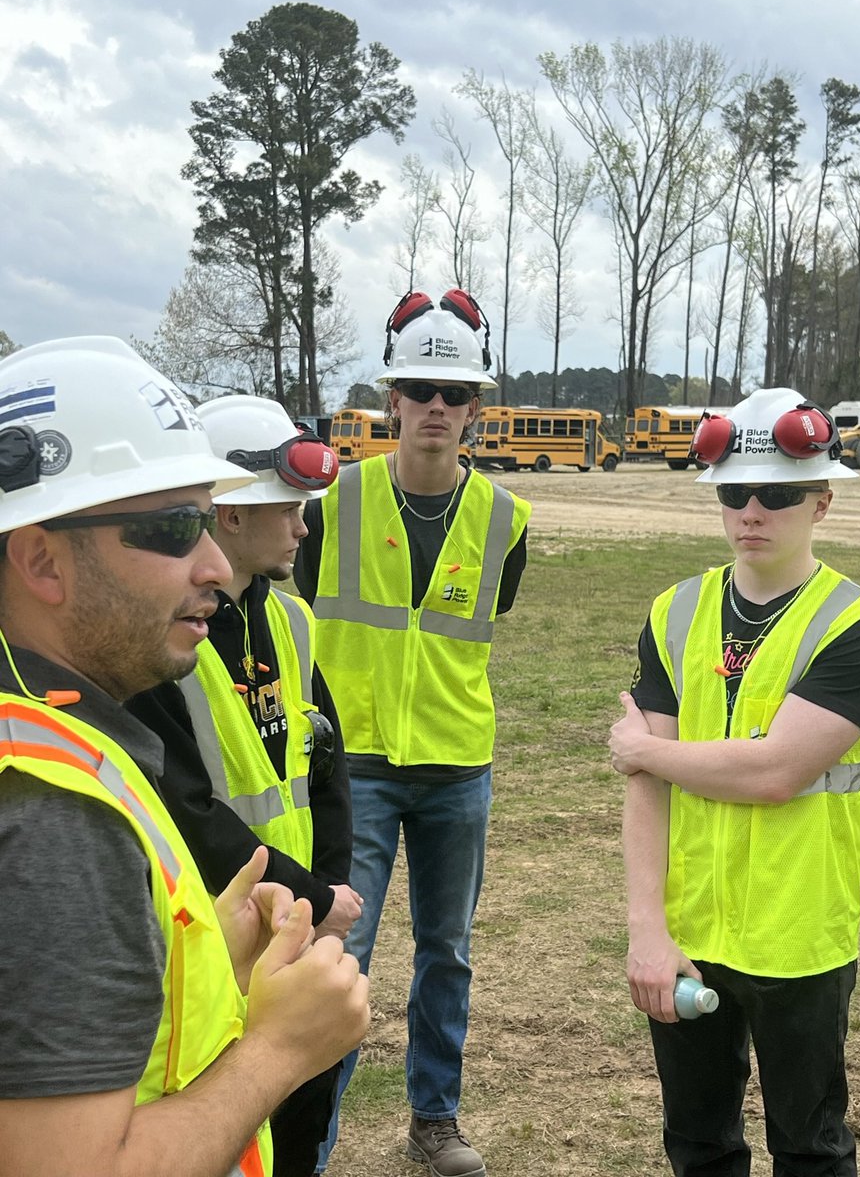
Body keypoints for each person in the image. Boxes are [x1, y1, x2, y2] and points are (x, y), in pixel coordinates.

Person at [0, 337, 369, 1177]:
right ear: (40, 559)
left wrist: (201, 964)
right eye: (171, 528)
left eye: (207, 521)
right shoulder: (54, 816)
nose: (211, 563)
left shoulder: (61, 732)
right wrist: (280, 1051)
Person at [609, 387, 860, 1177]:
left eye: (778, 494)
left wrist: (648, 751)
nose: (753, 511)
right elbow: (646, 794)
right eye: (737, 492)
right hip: (689, 926)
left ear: (823, 502)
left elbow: (778, 772)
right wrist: (647, 931)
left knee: (811, 1149)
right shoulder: (675, 612)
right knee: (697, 1145)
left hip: (799, 934)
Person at [295, 290, 531, 1177]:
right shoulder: (329, 505)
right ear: (391, 396)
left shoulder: (508, 521)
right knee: (338, 951)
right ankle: (311, 1136)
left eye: (456, 392)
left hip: (456, 767)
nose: (438, 407)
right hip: (352, 765)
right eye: (421, 388)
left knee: (448, 952)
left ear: (478, 408)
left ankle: (434, 1120)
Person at [127, 394, 362, 1177]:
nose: (302, 526)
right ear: (229, 513)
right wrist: (314, 897)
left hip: (297, 923)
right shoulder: (163, 640)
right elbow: (185, 805)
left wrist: (330, 885)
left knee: (302, 1120)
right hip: (216, 932)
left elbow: (324, 765)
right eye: (287, 509)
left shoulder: (291, 620)